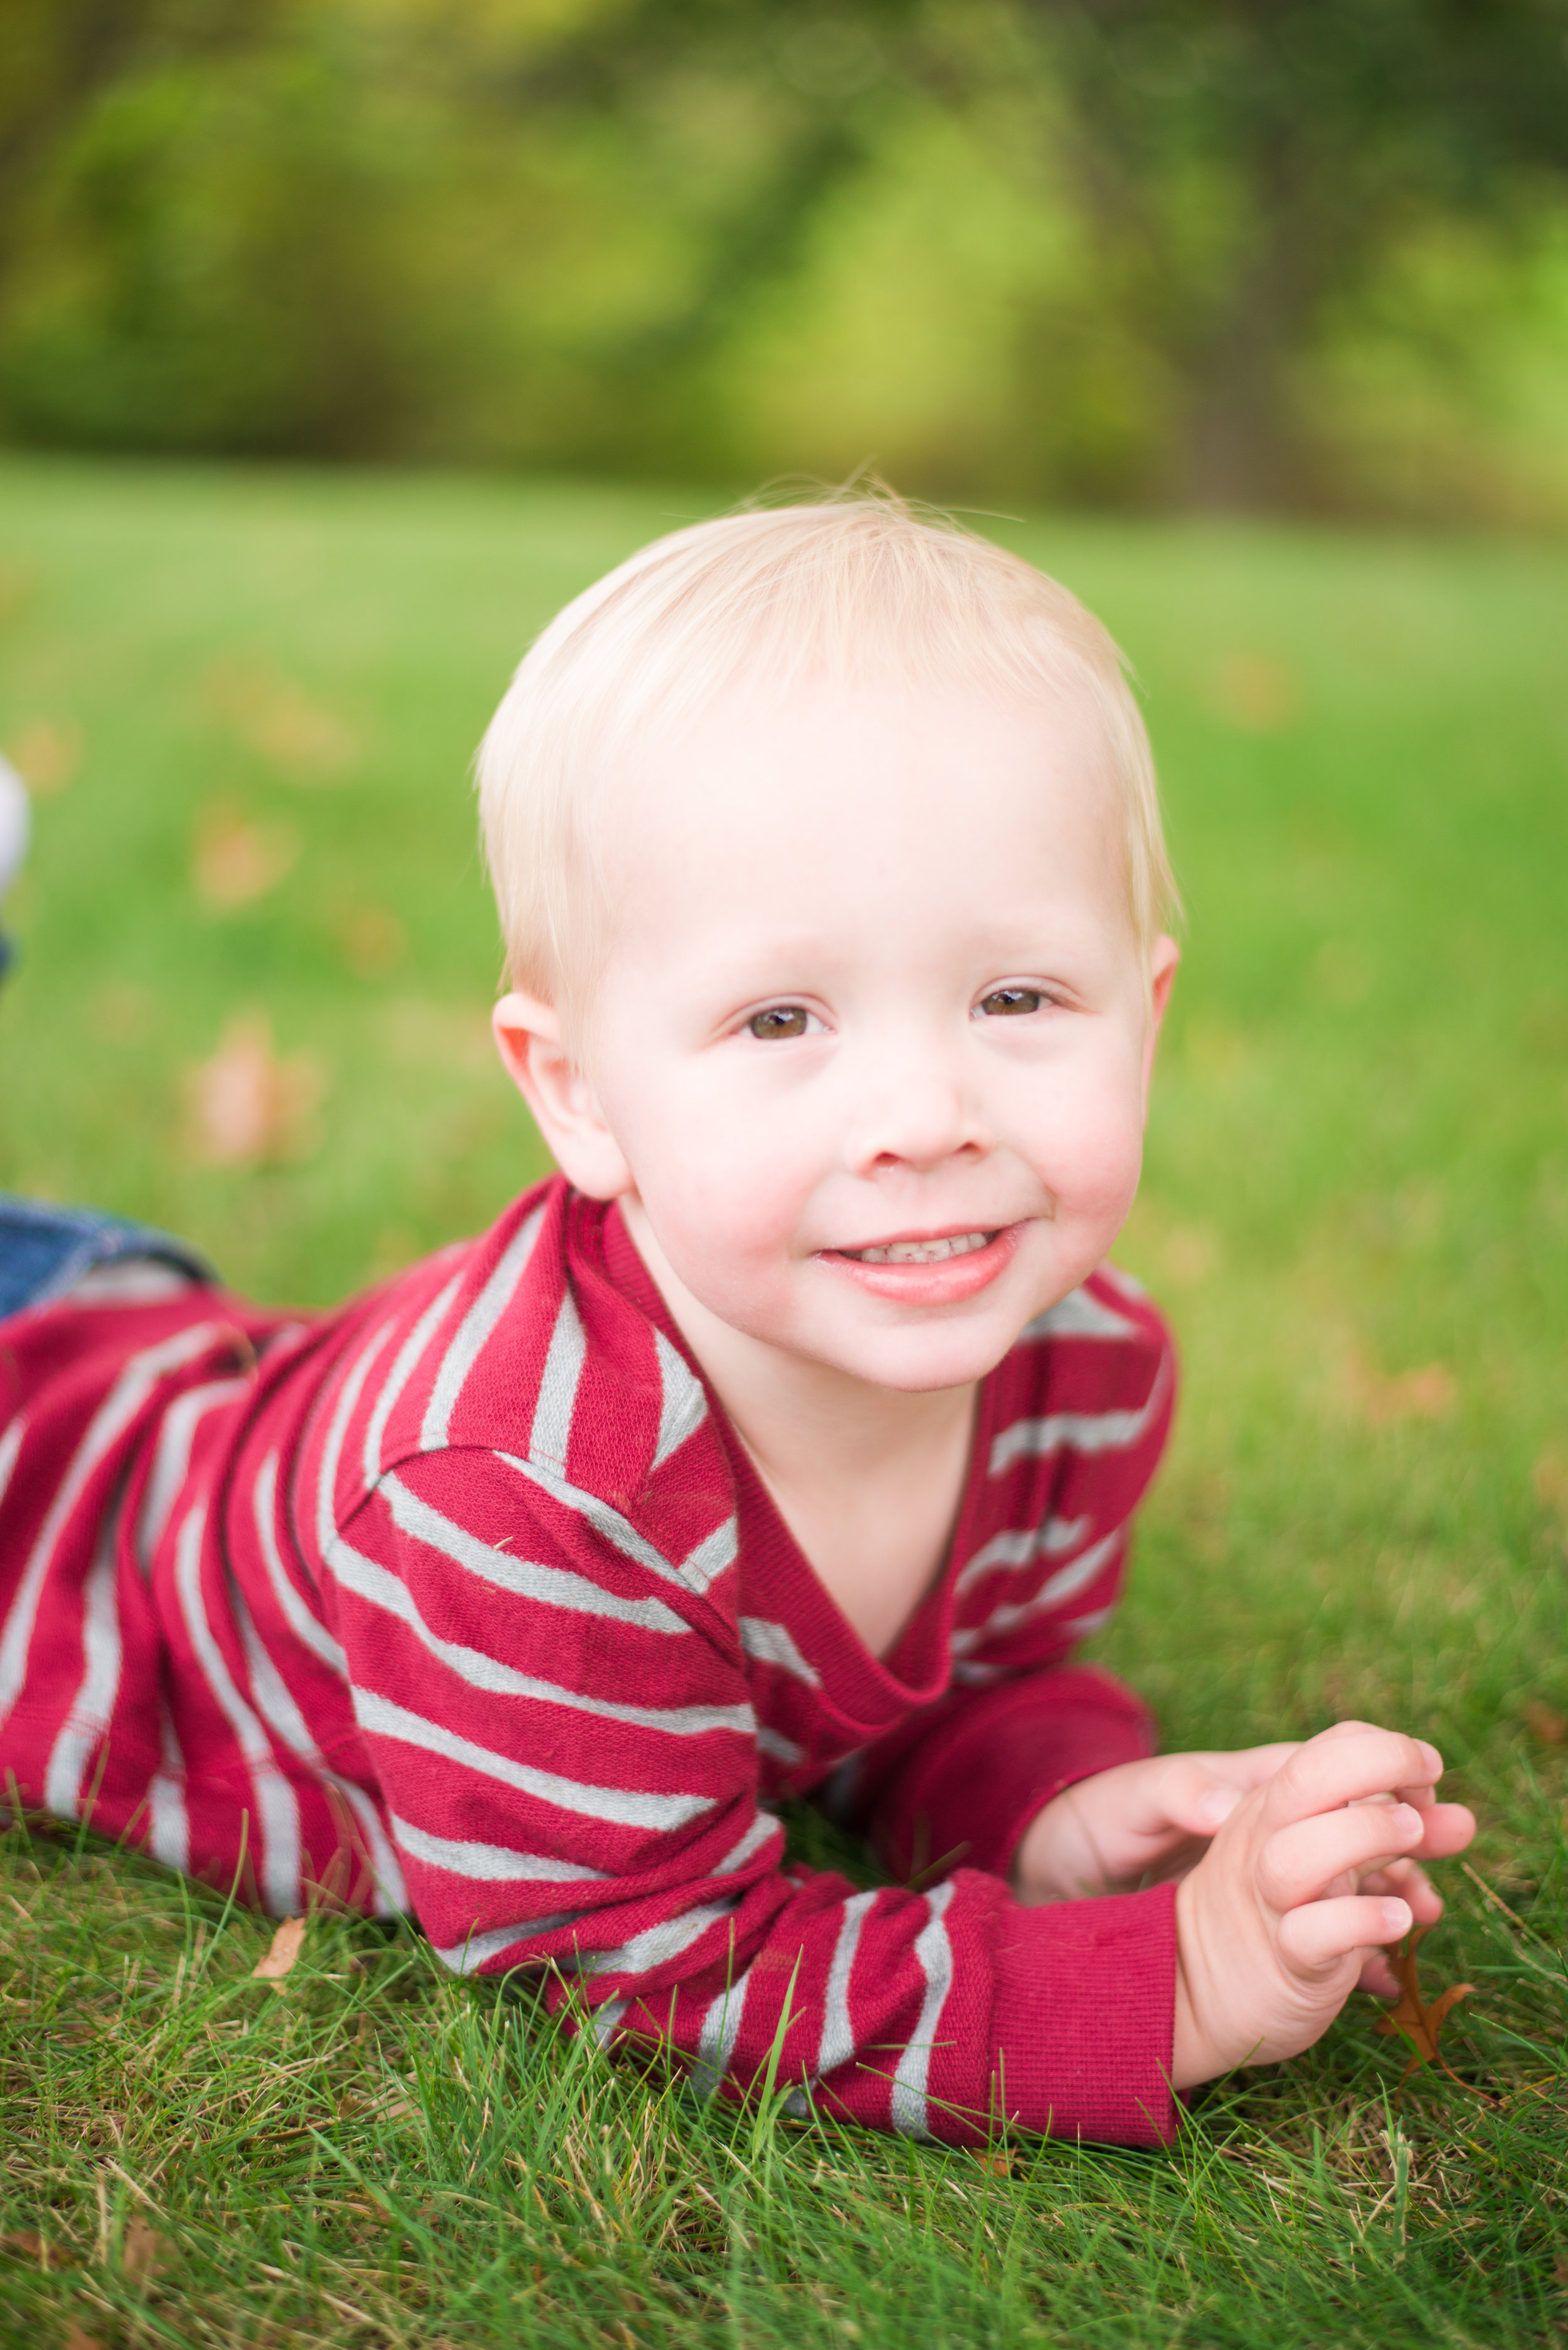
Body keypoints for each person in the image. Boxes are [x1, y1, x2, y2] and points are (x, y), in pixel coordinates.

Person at [0, 496, 1473, 2148]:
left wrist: (1050, 1805)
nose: (923, 1112)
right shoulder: (525, 1502)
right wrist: (1168, 1984)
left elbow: (970, 1680)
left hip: (178, 1347)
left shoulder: (1080, 1372)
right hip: (40, 1469)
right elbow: (646, 1951)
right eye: (781, 1016)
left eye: (1014, 997)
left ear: (1147, 1012)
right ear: (578, 1095)